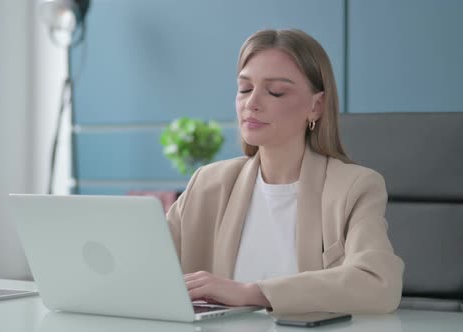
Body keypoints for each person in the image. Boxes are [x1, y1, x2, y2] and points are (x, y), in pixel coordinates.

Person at [166, 29, 404, 314]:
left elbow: (379, 285)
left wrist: (251, 292)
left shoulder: (353, 187)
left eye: (275, 91)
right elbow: (141, 261)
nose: (251, 103)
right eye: (244, 89)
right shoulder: (208, 183)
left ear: (316, 106)